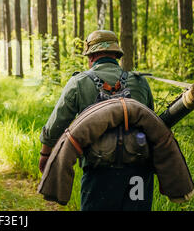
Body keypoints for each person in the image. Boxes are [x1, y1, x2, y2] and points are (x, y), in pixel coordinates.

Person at [38, 30, 155, 211]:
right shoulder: (140, 82)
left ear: (91, 56)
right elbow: (153, 124)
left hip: (99, 172)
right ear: (116, 55)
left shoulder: (79, 82)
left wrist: (45, 154)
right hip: (139, 172)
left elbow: (57, 124)